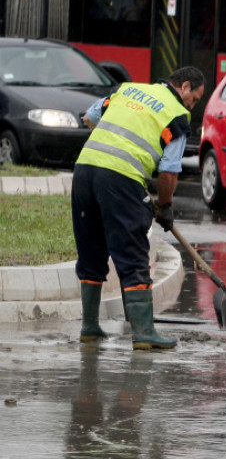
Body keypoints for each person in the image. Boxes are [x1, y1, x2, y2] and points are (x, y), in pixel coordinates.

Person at [72, 66, 206, 350]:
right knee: (132, 254)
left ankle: (89, 327)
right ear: (183, 87)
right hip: (120, 180)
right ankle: (144, 333)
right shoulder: (177, 116)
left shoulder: (127, 90)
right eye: (194, 99)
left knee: (91, 250)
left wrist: (113, 149)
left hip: (84, 172)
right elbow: (169, 172)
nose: (193, 106)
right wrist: (165, 206)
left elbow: (89, 117)